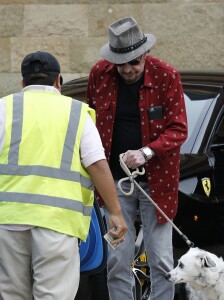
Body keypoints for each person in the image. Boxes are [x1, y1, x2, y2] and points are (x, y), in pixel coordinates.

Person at [0, 51, 127, 300]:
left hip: (8, 221)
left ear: (23, 83)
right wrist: (116, 213)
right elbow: (97, 165)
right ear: (59, 80)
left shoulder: (4, 107)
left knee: (13, 295)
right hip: (57, 224)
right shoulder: (76, 113)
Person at [87, 17, 188, 299]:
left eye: (134, 62)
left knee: (161, 261)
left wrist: (146, 152)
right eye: (121, 64)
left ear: (145, 53)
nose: (128, 70)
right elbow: (90, 122)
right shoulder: (99, 74)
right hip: (113, 182)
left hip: (158, 182)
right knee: (117, 260)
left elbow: (179, 129)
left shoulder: (167, 76)